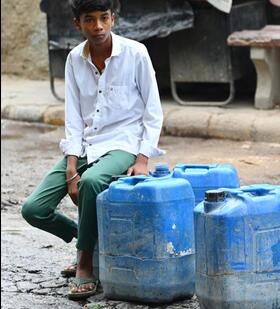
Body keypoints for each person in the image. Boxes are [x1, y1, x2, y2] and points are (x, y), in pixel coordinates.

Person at [20, 0, 164, 300]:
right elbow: (73, 117)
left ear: (113, 19)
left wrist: (142, 159)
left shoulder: (136, 53)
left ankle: (85, 264)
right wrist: (71, 164)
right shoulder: (74, 58)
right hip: (86, 145)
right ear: (78, 24)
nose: (97, 26)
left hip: (124, 144)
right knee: (33, 209)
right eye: (89, 20)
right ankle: (85, 238)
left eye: (103, 18)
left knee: (92, 182)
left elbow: (153, 112)